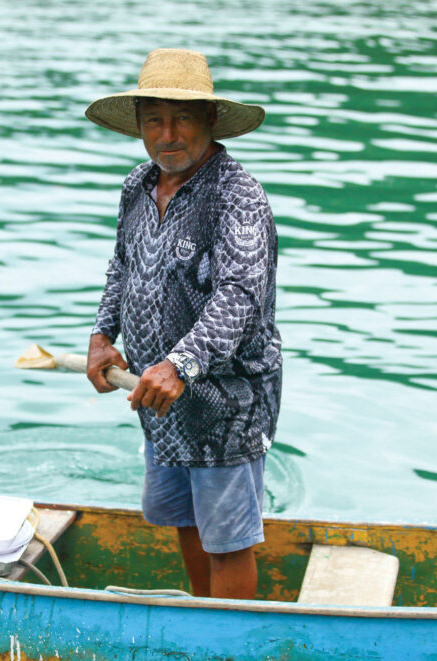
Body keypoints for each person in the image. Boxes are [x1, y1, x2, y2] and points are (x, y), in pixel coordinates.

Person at [84, 48, 282, 600]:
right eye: (155, 120)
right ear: (140, 126)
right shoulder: (137, 187)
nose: (168, 134)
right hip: (161, 396)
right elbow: (122, 264)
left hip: (224, 399)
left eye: (183, 118)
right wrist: (104, 335)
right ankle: (204, 623)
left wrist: (179, 363)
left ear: (210, 121)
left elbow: (240, 297)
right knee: (187, 519)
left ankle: (229, 652)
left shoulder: (237, 197)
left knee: (228, 539)